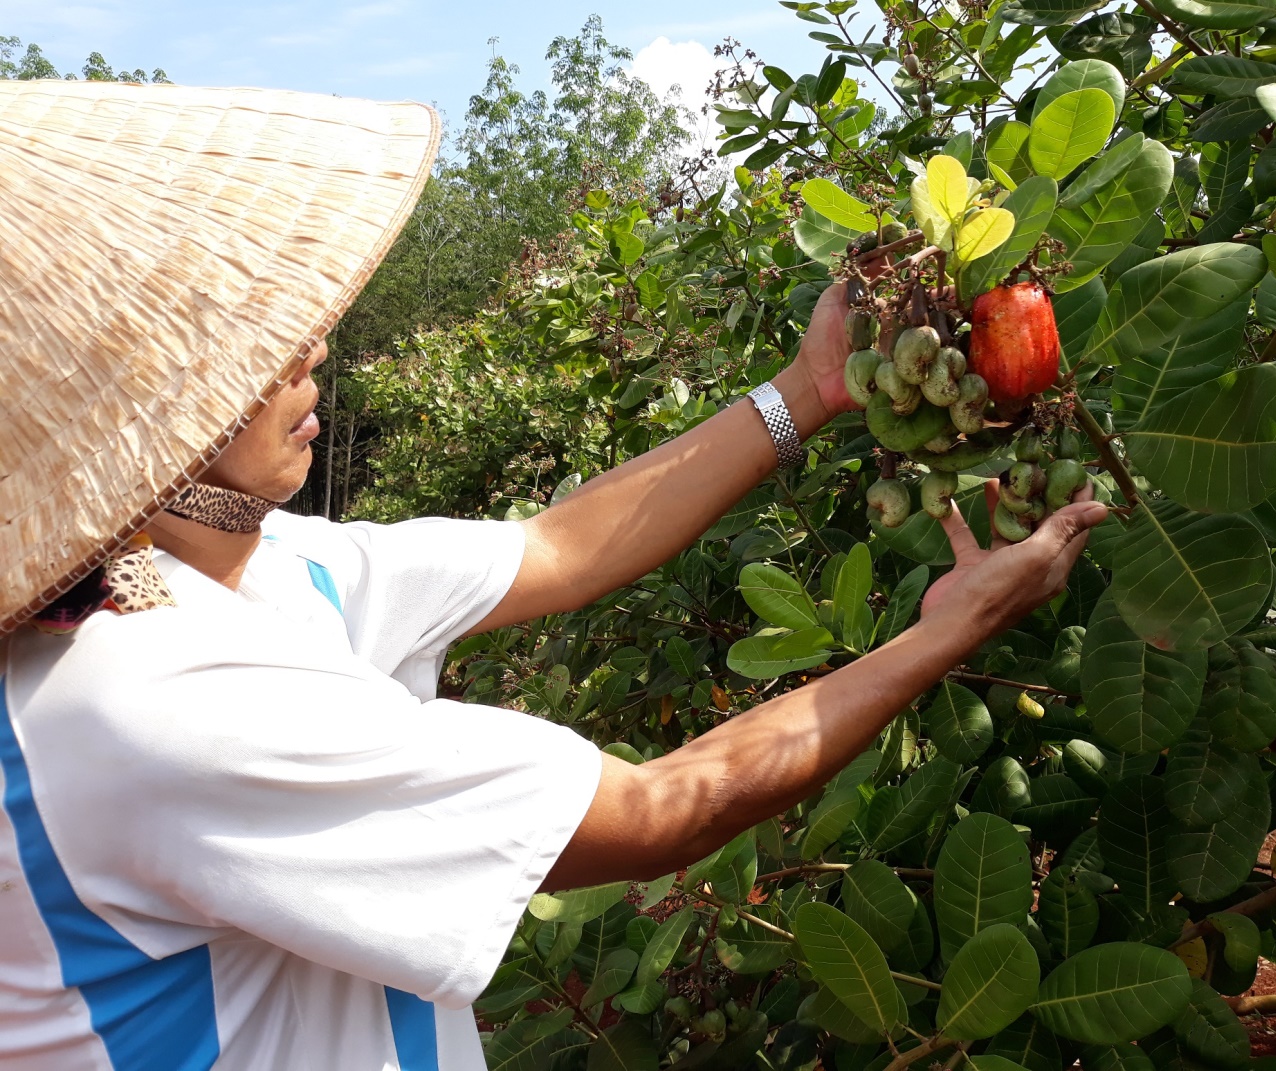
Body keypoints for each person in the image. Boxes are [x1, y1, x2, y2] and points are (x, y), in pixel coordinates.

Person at [0, 80, 1105, 1071]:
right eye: (251, 346)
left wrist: (808, 388)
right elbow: (668, 807)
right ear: (131, 430)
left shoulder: (256, 567)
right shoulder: (155, 702)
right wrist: (955, 628)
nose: (311, 349)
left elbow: (558, 547)